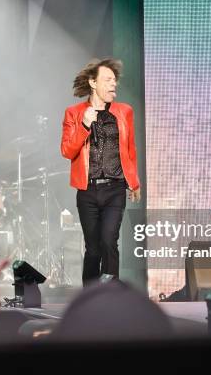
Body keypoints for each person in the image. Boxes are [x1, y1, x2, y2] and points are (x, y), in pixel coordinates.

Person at [61, 58, 141, 285]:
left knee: (109, 241)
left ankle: (111, 296)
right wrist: (84, 125)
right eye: (107, 80)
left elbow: (130, 149)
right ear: (93, 82)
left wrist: (134, 182)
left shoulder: (124, 111)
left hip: (115, 187)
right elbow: (67, 151)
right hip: (87, 190)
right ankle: (89, 298)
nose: (113, 85)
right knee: (93, 248)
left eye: (115, 81)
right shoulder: (74, 113)